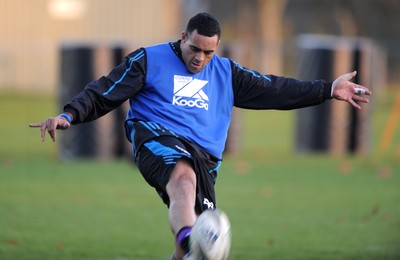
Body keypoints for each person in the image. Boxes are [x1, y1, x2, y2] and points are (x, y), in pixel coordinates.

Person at [29, 12, 371, 260]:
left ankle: (189, 247)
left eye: (209, 52)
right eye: (195, 49)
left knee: (204, 248)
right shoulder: (150, 60)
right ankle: (191, 241)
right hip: (155, 139)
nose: (200, 58)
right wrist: (68, 114)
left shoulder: (226, 72)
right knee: (183, 176)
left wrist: (328, 89)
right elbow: (106, 90)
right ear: (183, 37)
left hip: (206, 158)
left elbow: (276, 88)